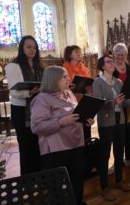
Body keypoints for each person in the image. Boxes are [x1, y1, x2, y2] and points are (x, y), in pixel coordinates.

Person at [31, 66, 94, 205]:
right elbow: (37, 127)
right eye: (64, 77)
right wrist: (62, 121)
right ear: (53, 79)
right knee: (57, 187)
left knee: (77, 180)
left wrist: (85, 120)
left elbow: (76, 115)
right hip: (56, 149)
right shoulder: (42, 99)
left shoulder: (69, 94)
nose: (68, 79)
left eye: (67, 76)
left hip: (76, 144)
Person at [92, 55, 130, 201]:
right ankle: (104, 187)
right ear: (102, 66)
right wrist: (112, 101)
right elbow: (98, 104)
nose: (112, 64)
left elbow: (124, 101)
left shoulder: (118, 81)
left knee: (119, 152)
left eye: (112, 61)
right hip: (106, 122)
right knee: (105, 155)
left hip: (120, 120)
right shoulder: (98, 82)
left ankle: (119, 181)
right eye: (109, 62)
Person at [5, 35, 44, 175]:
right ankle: (28, 179)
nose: (32, 50)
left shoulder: (39, 66)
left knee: (38, 145)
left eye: (34, 47)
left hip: (39, 109)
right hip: (21, 112)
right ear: (21, 48)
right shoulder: (13, 66)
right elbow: (14, 91)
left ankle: (40, 176)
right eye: (28, 47)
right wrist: (30, 92)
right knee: (27, 147)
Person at [63, 45, 92, 140]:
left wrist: (90, 87)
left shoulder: (85, 69)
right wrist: (69, 87)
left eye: (80, 52)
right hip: (70, 102)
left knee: (86, 128)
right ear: (69, 54)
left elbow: (90, 84)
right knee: (74, 130)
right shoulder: (64, 69)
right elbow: (60, 86)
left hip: (84, 100)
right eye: (76, 52)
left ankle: (88, 150)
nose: (79, 53)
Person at [111, 43, 130, 162]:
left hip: (129, 101)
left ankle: (129, 154)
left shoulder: (128, 67)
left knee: (129, 129)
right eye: (118, 55)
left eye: (123, 55)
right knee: (119, 132)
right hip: (117, 102)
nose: (121, 57)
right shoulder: (111, 67)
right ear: (114, 55)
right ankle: (118, 159)